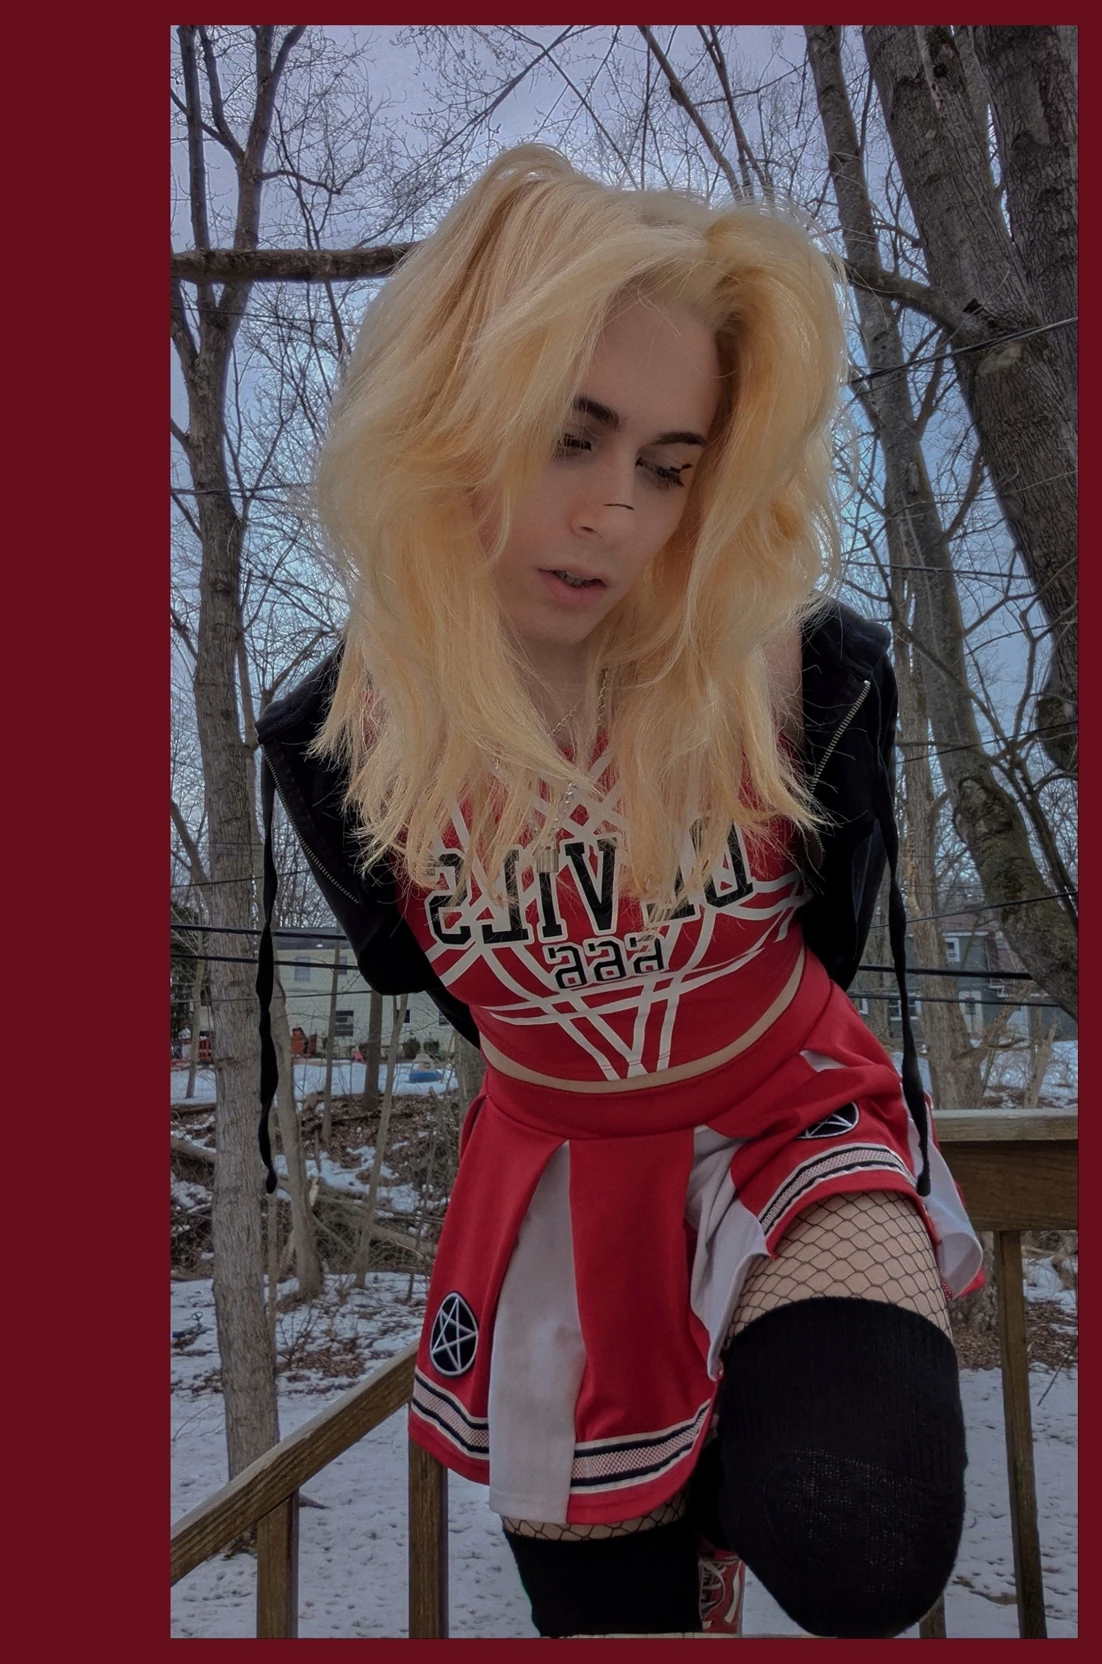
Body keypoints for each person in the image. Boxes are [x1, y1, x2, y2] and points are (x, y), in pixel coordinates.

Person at [257, 145, 982, 1639]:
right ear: (446, 414)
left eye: (668, 464)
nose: (614, 512)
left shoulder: (807, 673)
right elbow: (432, 982)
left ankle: (745, 1443)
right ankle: (689, 1487)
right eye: (568, 437)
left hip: (785, 1119)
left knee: (861, 1530)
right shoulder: (340, 739)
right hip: (559, 1170)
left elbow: (832, 933)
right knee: (611, 1621)